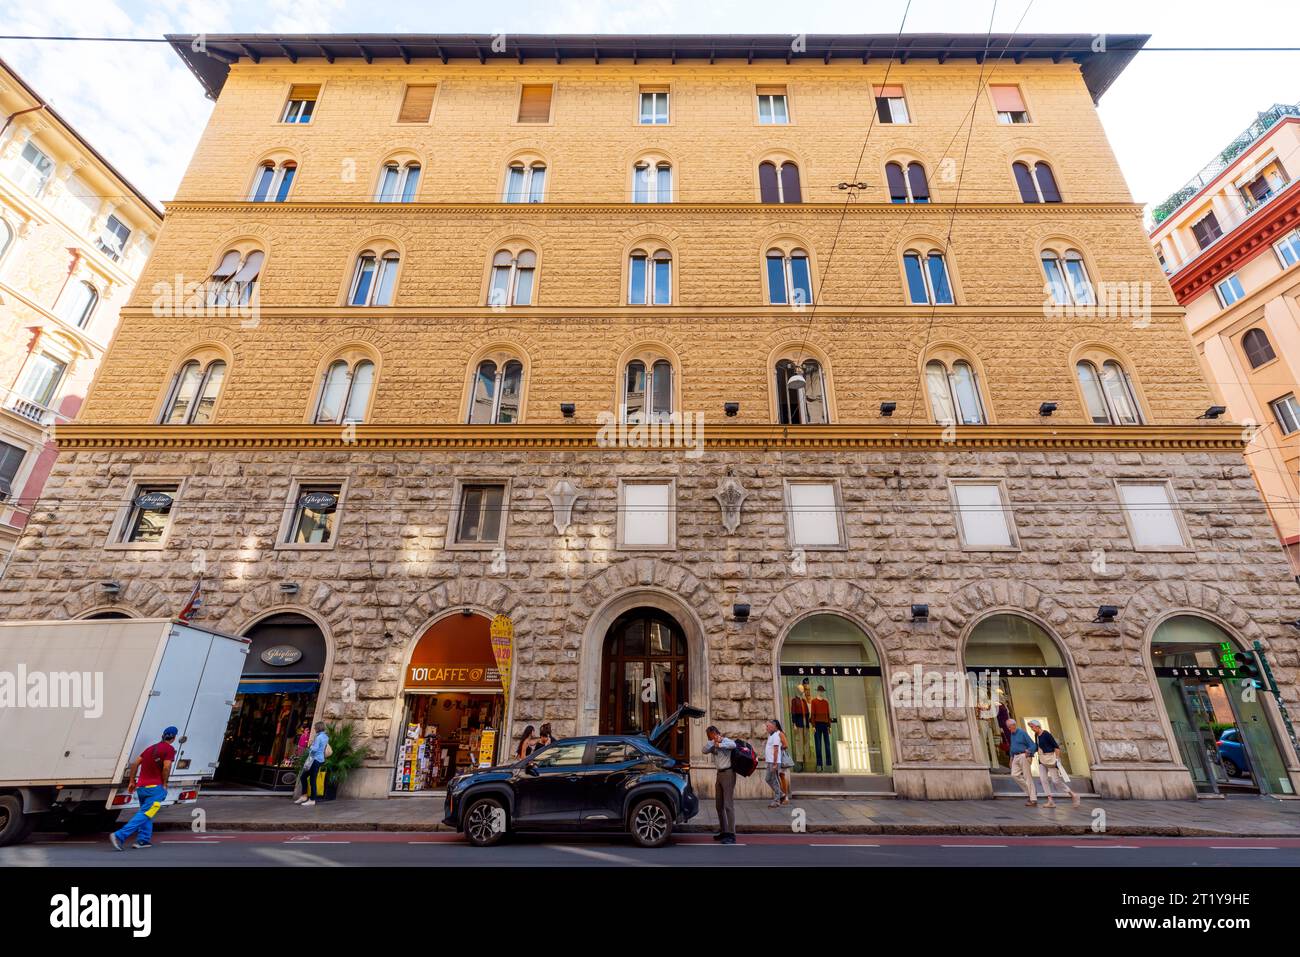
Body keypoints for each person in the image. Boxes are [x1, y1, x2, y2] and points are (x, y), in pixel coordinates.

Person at [110, 726, 178, 851]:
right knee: (146, 813)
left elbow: (135, 763)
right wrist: (164, 784)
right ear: (174, 738)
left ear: (163, 736)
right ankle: (119, 835)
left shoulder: (150, 749)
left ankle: (143, 840)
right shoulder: (169, 749)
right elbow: (166, 767)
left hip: (141, 788)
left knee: (146, 814)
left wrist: (132, 780)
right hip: (155, 789)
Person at [1029, 720, 1080, 808]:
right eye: (1031, 727)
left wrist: (1057, 760)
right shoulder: (1036, 735)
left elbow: (1056, 747)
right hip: (1042, 760)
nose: (1032, 729)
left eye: (1032, 727)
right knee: (1043, 780)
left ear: (1037, 726)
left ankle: (1073, 794)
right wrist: (1030, 752)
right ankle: (1050, 800)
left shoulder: (1046, 734)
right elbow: (1037, 747)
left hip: (1050, 760)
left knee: (1056, 781)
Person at [703, 725, 737, 844]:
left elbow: (734, 745)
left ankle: (731, 834)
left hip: (728, 773)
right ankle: (724, 831)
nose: (709, 738)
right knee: (719, 805)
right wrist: (713, 743)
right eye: (708, 737)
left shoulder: (725, 740)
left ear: (716, 733)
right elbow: (704, 750)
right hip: (719, 774)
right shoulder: (711, 743)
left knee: (728, 805)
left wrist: (720, 743)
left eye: (710, 736)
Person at [1005, 717, 1039, 806]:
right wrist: (1011, 759)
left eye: (1009, 726)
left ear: (1014, 725)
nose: (1008, 729)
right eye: (1007, 727)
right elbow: (1013, 747)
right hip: (1015, 756)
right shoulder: (1012, 734)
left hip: (1023, 755)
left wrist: (1029, 752)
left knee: (1027, 777)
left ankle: (1033, 799)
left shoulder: (1022, 733)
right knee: (1014, 775)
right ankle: (1032, 792)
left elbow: (1033, 745)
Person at [295, 721, 329, 808]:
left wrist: (310, 747)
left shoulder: (318, 737)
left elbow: (315, 749)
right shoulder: (325, 736)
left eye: (315, 727)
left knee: (312, 779)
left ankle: (312, 799)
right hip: (319, 759)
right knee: (304, 777)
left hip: (315, 760)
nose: (314, 728)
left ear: (318, 728)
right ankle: (304, 796)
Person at [810, 685, 834, 772]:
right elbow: (812, 714)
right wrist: (813, 726)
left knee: (827, 745)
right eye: (820, 691)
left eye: (822, 691)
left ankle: (828, 764)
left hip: (825, 724)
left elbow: (828, 714)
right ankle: (819, 764)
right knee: (818, 745)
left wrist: (829, 726)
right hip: (817, 724)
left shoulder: (826, 702)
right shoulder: (814, 701)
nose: (821, 692)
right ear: (817, 691)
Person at [789, 681, 812, 770]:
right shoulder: (794, 700)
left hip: (805, 724)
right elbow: (793, 712)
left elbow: (807, 713)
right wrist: (794, 723)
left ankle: (807, 760)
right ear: (798, 690)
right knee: (799, 742)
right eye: (801, 689)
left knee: (806, 742)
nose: (802, 690)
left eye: (802, 689)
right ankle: (800, 761)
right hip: (798, 724)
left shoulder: (803, 701)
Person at [764, 719, 785, 807]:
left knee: (774, 780)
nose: (766, 728)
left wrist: (775, 763)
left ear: (773, 727)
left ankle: (777, 800)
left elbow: (776, 750)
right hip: (770, 761)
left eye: (768, 726)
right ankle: (781, 794)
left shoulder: (776, 735)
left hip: (774, 762)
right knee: (768, 779)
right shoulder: (771, 735)